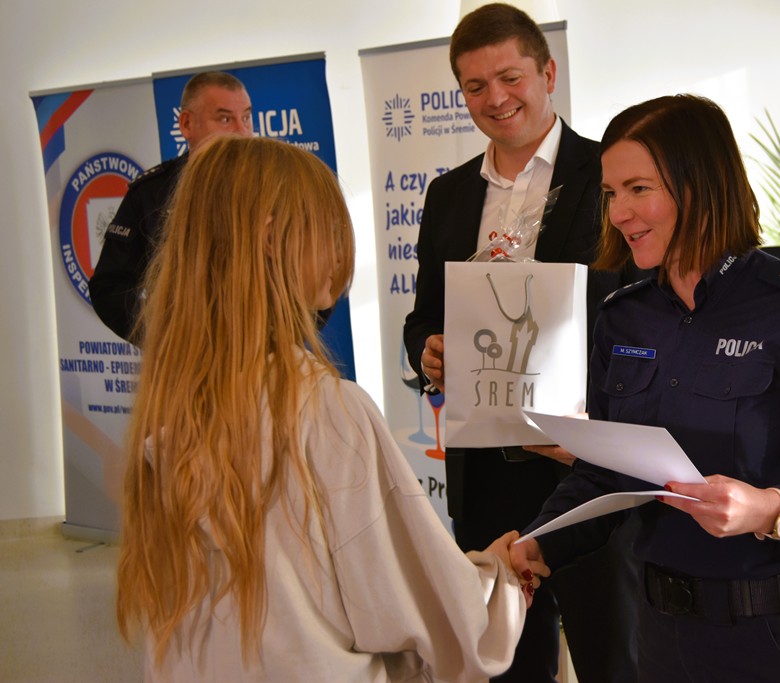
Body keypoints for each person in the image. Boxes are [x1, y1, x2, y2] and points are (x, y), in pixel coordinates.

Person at [115, 136, 541, 682]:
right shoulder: (324, 410)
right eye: (325, 227)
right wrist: (497, 579)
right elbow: (423, 612)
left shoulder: (172, 406)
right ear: (272, 237)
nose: (339, 253)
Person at [512, 94, 780, 682]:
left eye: (639, 189)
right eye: (610, 194)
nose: (618, 213)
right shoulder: (624, 319)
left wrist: (768, 508)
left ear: (701, 186)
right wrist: (542, 541)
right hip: (661, 633)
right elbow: (605, 472)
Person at [403, 4, 640, 682]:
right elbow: (422, 317)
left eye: (510, 77)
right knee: (506, 662)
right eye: (475, 86)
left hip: (585, 468)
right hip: (485, 474)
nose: (495, 98)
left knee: (613, 655)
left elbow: (641, 313)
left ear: (548, 74)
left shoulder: (610, 176)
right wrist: (427, 350)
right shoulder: (448, 195)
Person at [89, 71, 254, 343]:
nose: (241, 131)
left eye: (246, 118)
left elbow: (317, 278)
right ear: (187, 124)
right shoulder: (152, 193)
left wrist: (279, 339)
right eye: (225, 119)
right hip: (186, 361)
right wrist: (165, 336)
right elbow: (110, 288)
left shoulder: (279, 188)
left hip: (266, 360)